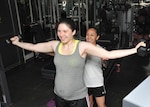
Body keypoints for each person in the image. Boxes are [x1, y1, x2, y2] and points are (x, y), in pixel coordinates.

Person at [10, 18, 146, 107]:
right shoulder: (55, 45)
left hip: (78, 98)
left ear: (73, 32)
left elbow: (108, 54)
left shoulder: (82, 46)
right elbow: (34, 47)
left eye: (65, 31)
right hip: (59, 95)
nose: (61, 34)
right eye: (59, 31)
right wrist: (18, 43)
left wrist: (134, 50)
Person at [84, 28, 106, 107]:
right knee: (89, 104)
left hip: (97, 82)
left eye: (92, 35)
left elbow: (105, 65)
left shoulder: (100, 50)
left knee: (101, 105)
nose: (89, 37)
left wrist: (105, 61)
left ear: (97, 37)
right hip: (85, 83)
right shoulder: (82, 48)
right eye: (87, 35)